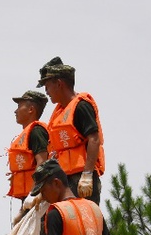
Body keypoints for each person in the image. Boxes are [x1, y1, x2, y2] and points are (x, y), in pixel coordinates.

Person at [39, 58, 104, 203]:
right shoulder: (59, 113)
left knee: (83, 221)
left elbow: (94, 139)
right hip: (64, 180)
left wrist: (87, 175)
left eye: (47, 85)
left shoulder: (81, 106)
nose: (46, 91)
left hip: (81, 178)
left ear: (59, 83)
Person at [6, 90, 49, 205]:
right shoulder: (28, 133)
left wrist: (33, 193)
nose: (15, 111)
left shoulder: (37, 131)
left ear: (31, 110)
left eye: (19, 106)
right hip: (28, 198)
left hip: (37, 198)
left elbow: (42, 161)